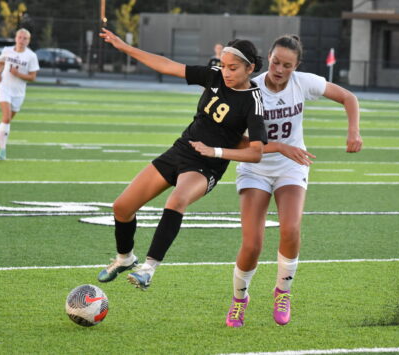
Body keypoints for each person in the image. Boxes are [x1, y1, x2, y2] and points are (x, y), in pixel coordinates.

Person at [96, 28, 268, 291]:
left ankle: (149, 269)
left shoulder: (254, 101)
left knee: (176, 200)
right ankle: (125, 258)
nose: (226, 72)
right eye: (223, 66)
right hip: (180, 150)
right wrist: (126, 48)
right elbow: (167, 66)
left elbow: (256, 152)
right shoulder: (214, 77)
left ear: (250, 68)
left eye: (233, 68)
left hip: (206, 165)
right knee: (121, 207)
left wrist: (216, 152)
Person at [224, 35, 362, 327]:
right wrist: (279, 146)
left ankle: (282, 292)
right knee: (252, 245)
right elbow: (238, 143)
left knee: (291, 228)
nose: (279, 69)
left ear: (296, 66)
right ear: (268, 59)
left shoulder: (303, 82)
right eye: (275, 62)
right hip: (255, 167)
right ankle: (239, 300)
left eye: (287, 65)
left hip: (291, 167)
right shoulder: (252, 88)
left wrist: (353, 132)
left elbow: (348, 97)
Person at [0, 28, 39, 160]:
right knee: (6, 117)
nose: (22, 40)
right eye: (20, 37)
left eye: (25, 38)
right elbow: (0, 62)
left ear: (28, 41)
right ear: (15, 38)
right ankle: (3, 151)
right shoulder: (7, 50)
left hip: (19, 93)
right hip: (4, 87)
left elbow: (32, 77)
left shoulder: (31, 56)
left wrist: (18, 74)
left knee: (6, 121)